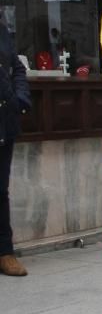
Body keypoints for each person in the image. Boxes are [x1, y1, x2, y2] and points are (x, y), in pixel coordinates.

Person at [0, 16, 30, 277]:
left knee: (0, 190)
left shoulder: (1, 29)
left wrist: (20, 98)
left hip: (3, 121)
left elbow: (17, 68)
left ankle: (5, 252)